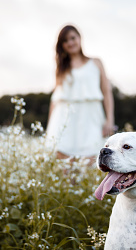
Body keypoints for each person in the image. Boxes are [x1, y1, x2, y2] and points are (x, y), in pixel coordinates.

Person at [46, 25, 115, 160]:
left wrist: (109, 119)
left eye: (73, 38)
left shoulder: (96, 62)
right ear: (62, 45)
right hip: (63, 118)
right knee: (64, 163)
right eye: (65, 41)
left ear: (79, 38)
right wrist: (49, 128)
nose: (70, 43)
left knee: (92, 158)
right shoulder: (61, 69)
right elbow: (55, 100)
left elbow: (106, 92)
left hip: (91, 116)